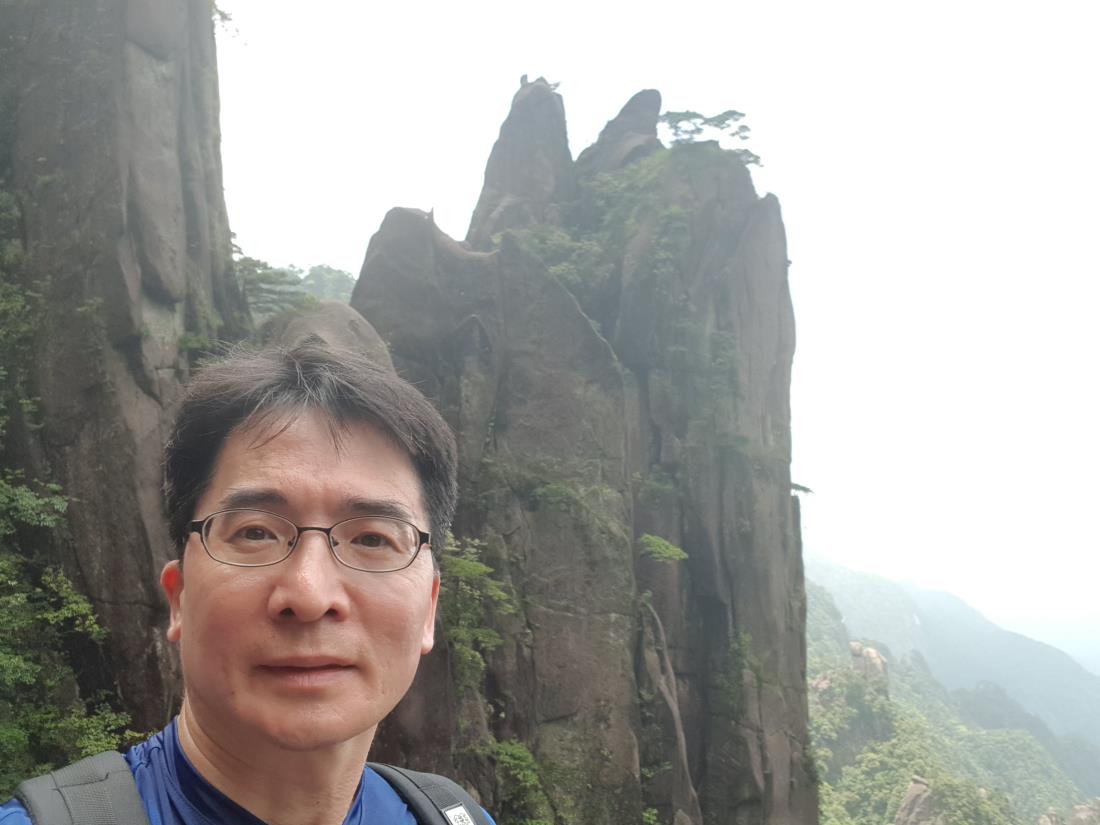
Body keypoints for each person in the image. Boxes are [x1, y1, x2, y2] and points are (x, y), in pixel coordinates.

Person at [1, 343, 493, 825]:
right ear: (179, 596)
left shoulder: (452, 817)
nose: (309, 596)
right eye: (255, 533)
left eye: (371, 538)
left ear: (429, 610)